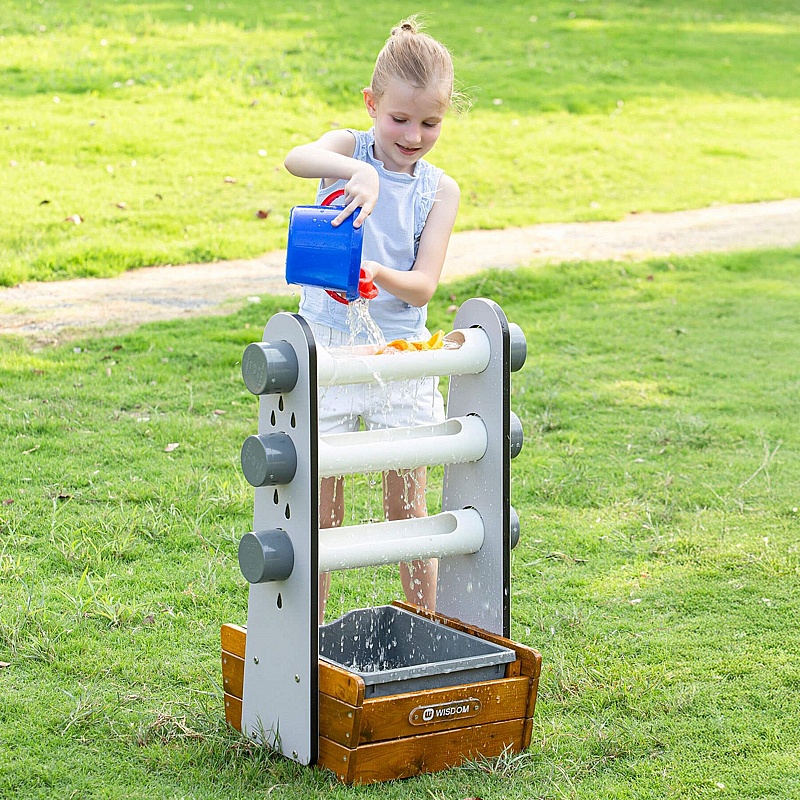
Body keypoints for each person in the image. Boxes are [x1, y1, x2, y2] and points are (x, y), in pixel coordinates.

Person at [284, 16, 462, 622]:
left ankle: (431, 630)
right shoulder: (346, 149)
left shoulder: (440, 190)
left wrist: (378, 273)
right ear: (371, 104)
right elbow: (294, 158)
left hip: (400, 355)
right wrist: (356, 173)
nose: (413, 135)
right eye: (399, 119)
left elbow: (423, 287)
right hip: (330, 344)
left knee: (406, 512)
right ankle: (309, 645)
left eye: (430, 123)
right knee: (321, 513)